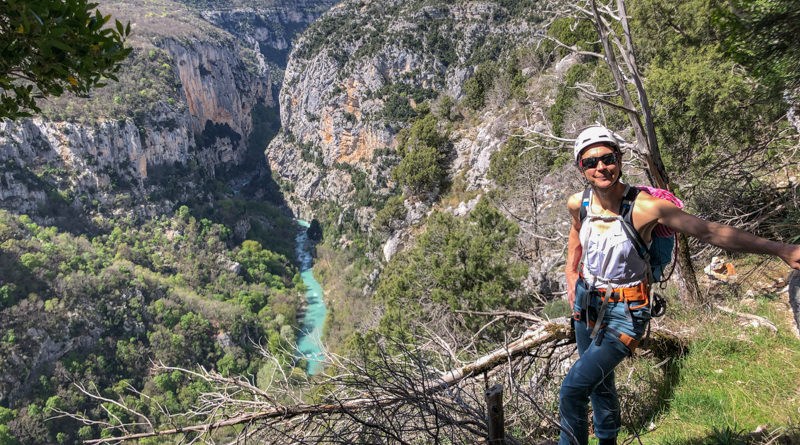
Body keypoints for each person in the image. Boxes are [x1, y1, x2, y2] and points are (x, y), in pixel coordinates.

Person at [559, 125, 800, 445]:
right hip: (587, 301)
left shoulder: (646, 208)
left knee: (572, 390)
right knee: (600, 383)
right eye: (591, 162)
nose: (601, 167)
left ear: (619, 158)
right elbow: (577, 233)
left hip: (625, 310)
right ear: (581, 168)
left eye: (608, 158)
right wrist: (571, 274)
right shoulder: (580, 203)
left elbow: (710, 232)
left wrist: (780, 249)